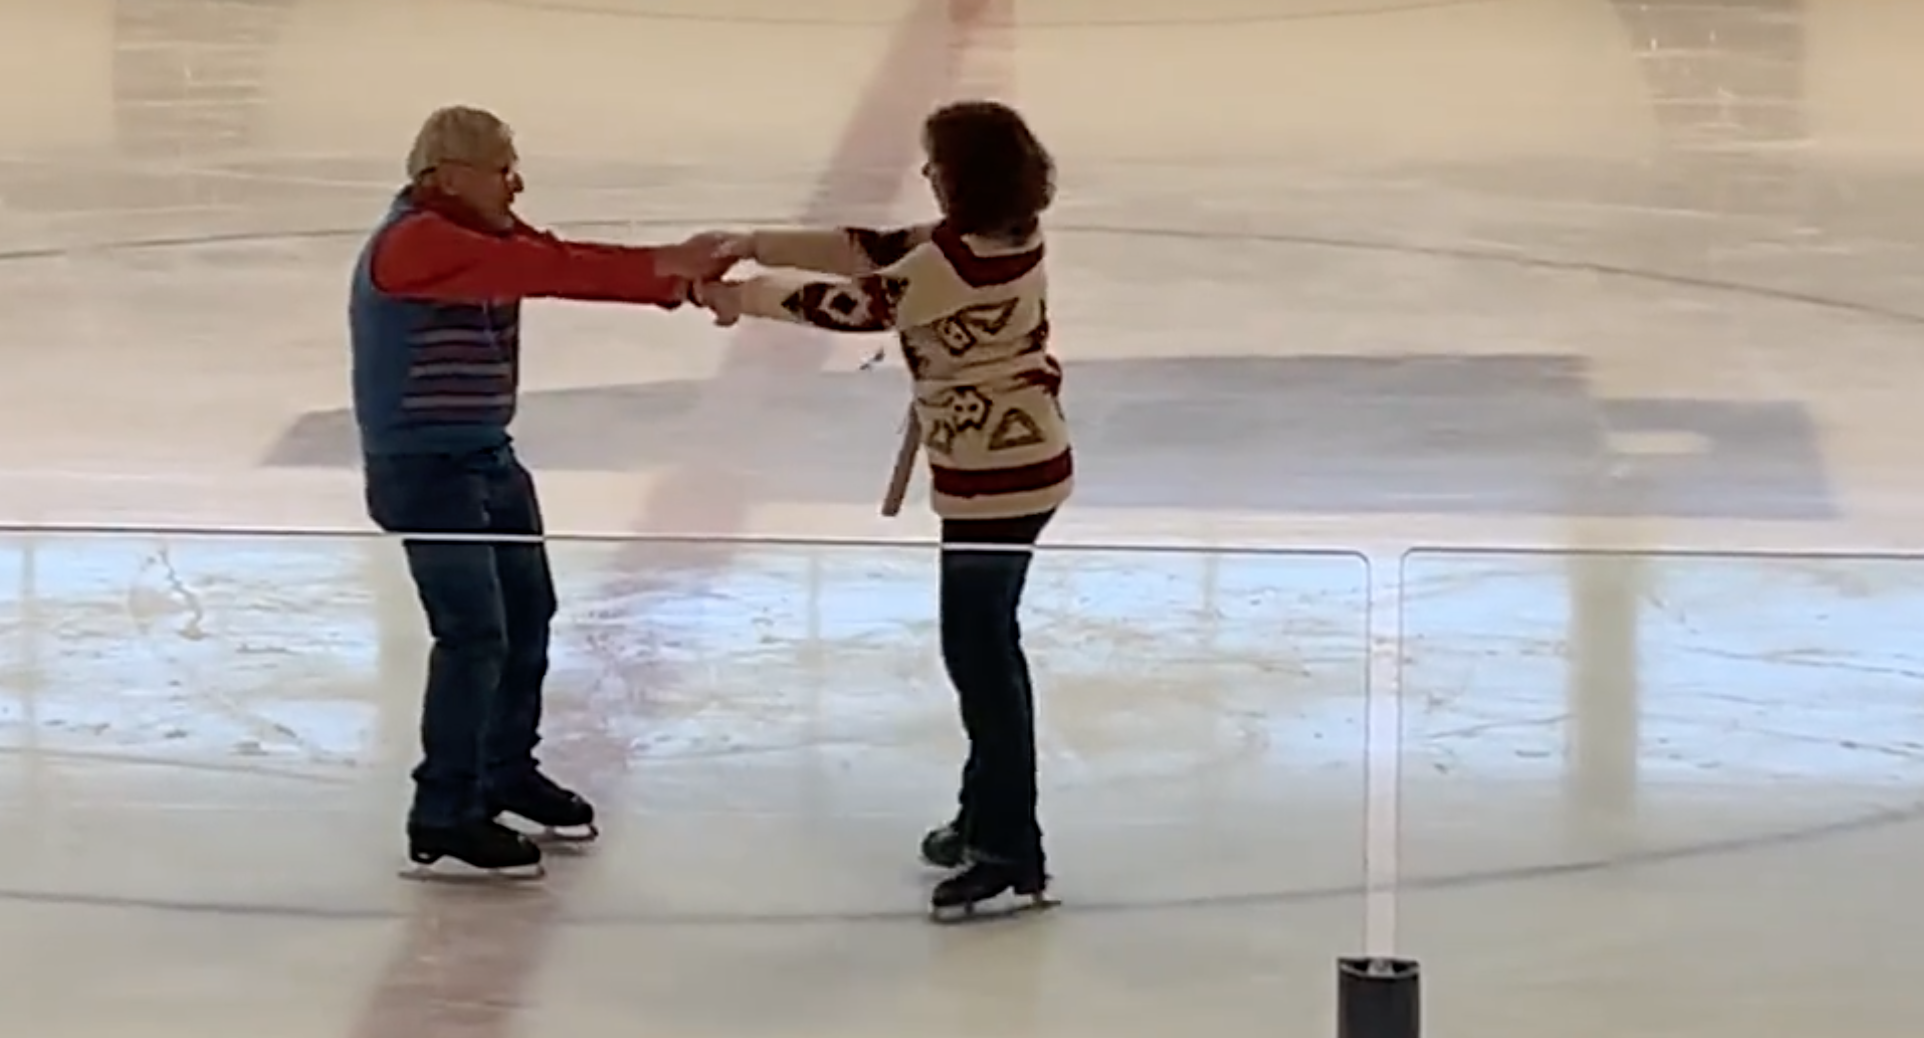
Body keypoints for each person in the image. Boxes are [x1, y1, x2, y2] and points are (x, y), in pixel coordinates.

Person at [693, 100, 1069, 918]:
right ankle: (987, 815)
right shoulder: (982, 239)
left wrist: (742, 298)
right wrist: (752, 244)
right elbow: (864, 249)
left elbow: (856, 303)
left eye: (937, 163)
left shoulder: (959, 265)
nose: (926, 174)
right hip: (1003, 468)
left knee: (981, 657)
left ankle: (1010, 846)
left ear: (966, 175)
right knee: (983, 649)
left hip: (1000, 477)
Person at [351, 105, 737, 877]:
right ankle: (445, 809)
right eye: (504, 168)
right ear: (449, 177)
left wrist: (675, 279)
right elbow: (553, 271)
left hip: (487, 457)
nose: (517, 183)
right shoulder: (417, 243)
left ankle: (503, 769)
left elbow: (559, 257)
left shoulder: (483, 234)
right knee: (474, 635)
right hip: (426, 472)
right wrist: (671, 265)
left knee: (529, 614)